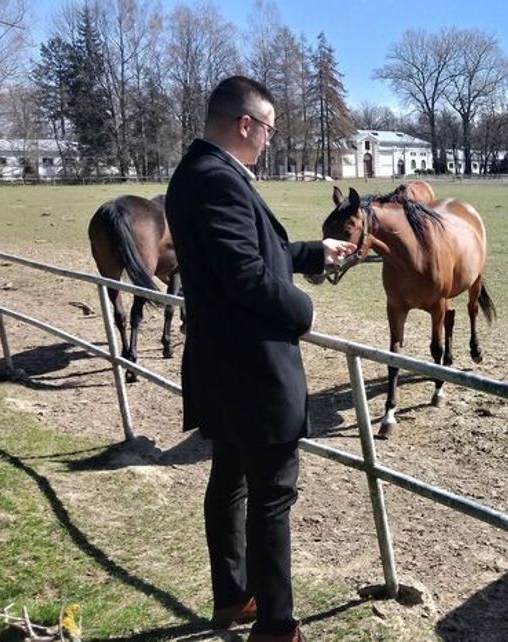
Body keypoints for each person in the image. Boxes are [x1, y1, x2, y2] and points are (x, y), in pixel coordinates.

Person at [165, 75, 354, 642]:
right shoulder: (216, 180)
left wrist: (311, 252)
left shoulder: (199, 174)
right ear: (245, 124)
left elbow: (252, 252)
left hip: (220, 368)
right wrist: (304, 310)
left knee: (229, 481)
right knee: (272, 496)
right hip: (251, 371)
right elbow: (246, 276)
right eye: (268, 128)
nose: (270, 139)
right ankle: (276, 626)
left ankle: (234, 596)